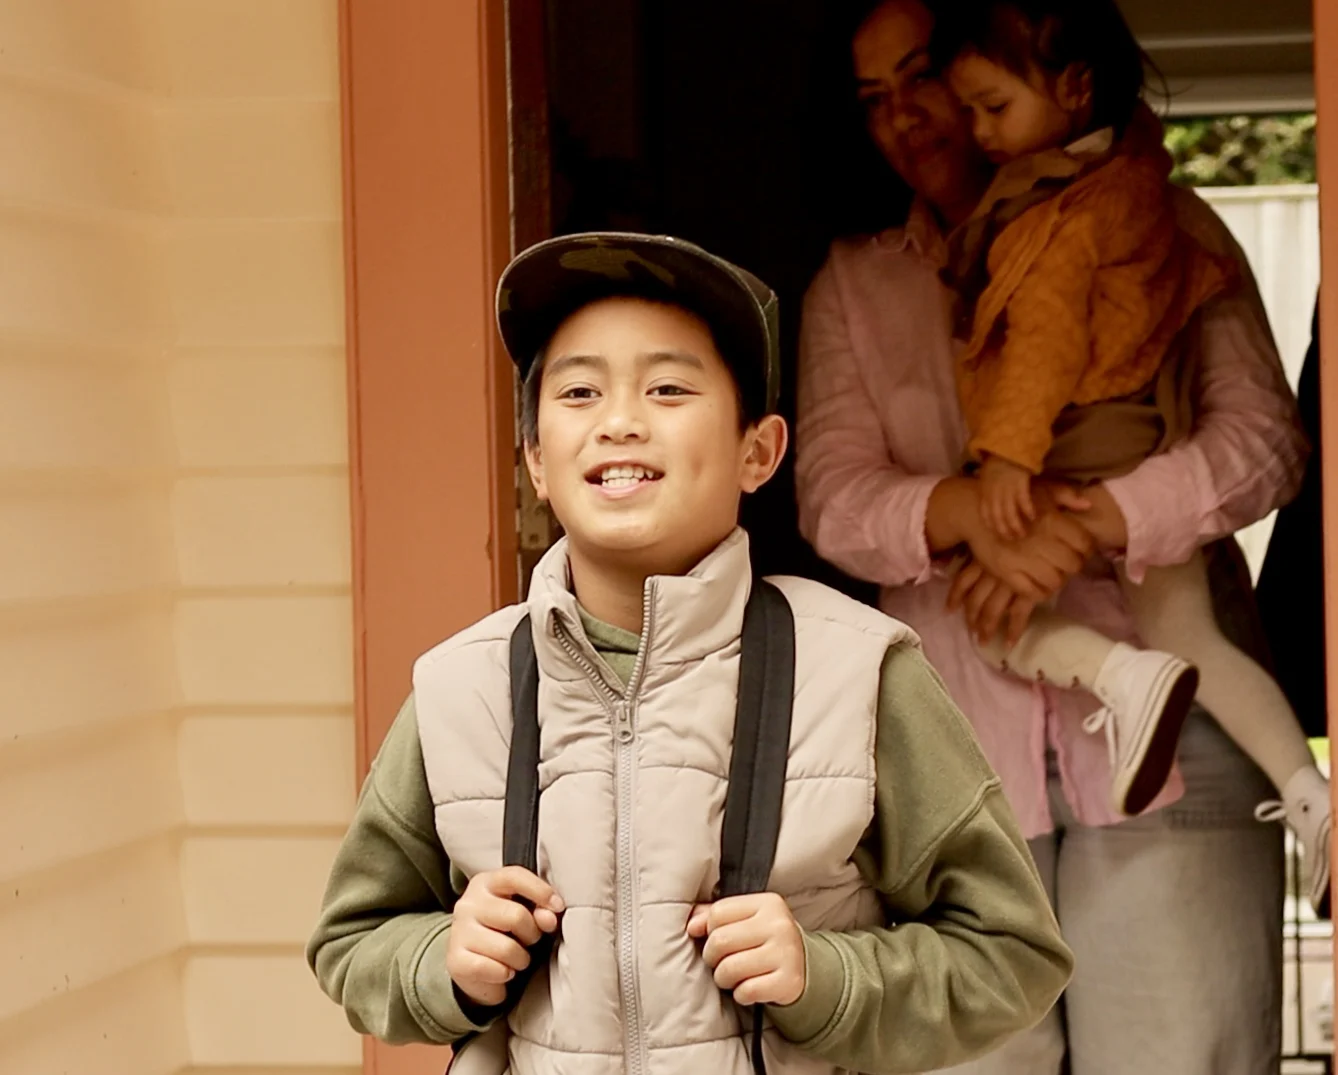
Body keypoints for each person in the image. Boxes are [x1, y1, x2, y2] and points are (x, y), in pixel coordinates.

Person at [306, 232, 1073, 1074]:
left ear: (760, 451)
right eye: (580, 391)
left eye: (668, 387)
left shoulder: (858, 671)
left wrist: (830, 975)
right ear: (535, 460)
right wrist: (440, 960)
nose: (621, 420)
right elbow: (350, 941)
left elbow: (1013, 953)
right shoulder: (461, 686)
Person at [795, 1, 1309, 1071]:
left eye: (924, 77)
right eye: (871, 101)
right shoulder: (858, 280)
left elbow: (1265, 440)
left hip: (1177, 729)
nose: (905, 117)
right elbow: (834, 498)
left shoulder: (1162, 224)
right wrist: (974, 512)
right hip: (957, 766)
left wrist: (1094, 522)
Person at [919, 0, 1331, 908]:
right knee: (1195, 637)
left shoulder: (1063, 211)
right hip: (1147, 435)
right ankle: (1312, 802)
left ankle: (1120, 673)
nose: (976, 131)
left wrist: (1007, 466)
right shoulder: (1140, 186)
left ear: (1072, 89)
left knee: (986, 613)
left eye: (992, 106)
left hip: (1079, 447)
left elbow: (1044, 346)